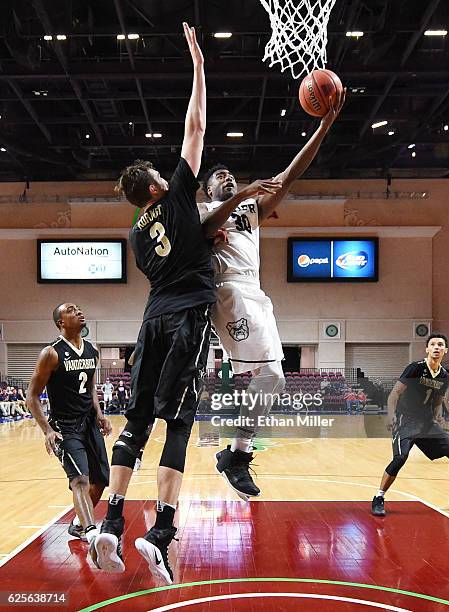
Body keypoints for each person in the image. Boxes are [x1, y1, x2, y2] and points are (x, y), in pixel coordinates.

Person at [92, 22, 281, 582]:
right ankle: (161, 531)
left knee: (136, 424)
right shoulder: (176, 196)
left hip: (148, 320)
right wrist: (198, 63)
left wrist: (206, 231)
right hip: (185, 321)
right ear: (154, 185)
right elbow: (194, 124)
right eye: (160, 172)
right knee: (177, 424)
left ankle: (111, 522)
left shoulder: (134, 234)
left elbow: (188, 241)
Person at [200, 90, 345, 500]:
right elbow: (205, 230)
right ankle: (238, 454)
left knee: (273, 377)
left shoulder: (250, 213)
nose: (228, 178)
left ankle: (236, 453)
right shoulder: (204, 212)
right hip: (228, 292)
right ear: (206, 189)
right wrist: (243, 193)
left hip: (254, 294)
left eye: (231, 175)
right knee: (272, 375)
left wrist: (323, 127)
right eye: (219, 177)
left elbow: (290, 175)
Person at [26, 303, 112, 556]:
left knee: (101, 480)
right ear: (61, 322)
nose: (79, 311)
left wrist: (99, 413)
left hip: (88, 422)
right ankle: (92, 533)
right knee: (80, 480)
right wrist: (47, 431)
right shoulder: (51, 353)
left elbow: (91, 386)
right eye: (71, 310)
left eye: (79, 308)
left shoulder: (92, 350)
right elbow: (31, 396)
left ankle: (77, 525)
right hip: (65, 426)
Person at [372, 334, 449, 516]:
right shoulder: (415, 369)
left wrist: (438, 416)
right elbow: (394, 394)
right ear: (427, 349)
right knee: (400, 458)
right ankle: (379, 497)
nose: (436, 347)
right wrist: (391, 416)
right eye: (433, 344)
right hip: (405, 421)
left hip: (427, 425)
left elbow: (438, 400)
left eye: (440, 345)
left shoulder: (444, 375)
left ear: (445, 350)